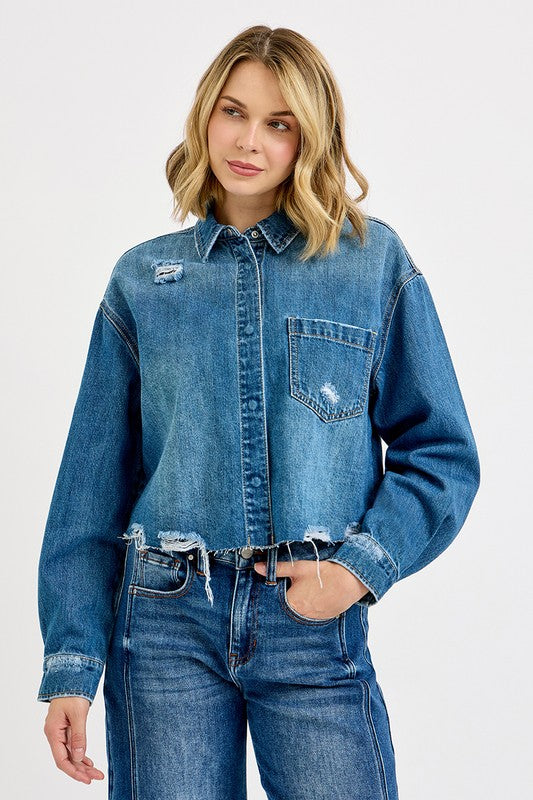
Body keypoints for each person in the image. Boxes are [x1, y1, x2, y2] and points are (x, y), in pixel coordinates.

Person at [37, 25, 480, 800]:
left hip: (313, 629)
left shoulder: (369, 263)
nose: (248, 141)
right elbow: (89, 489)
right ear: (205, 115)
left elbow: (439, 451)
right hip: (162, 625)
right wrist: (72, 666)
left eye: (279, 123)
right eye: (233, 112)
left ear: (311, 138)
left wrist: (358, 571)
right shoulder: (143, 280)